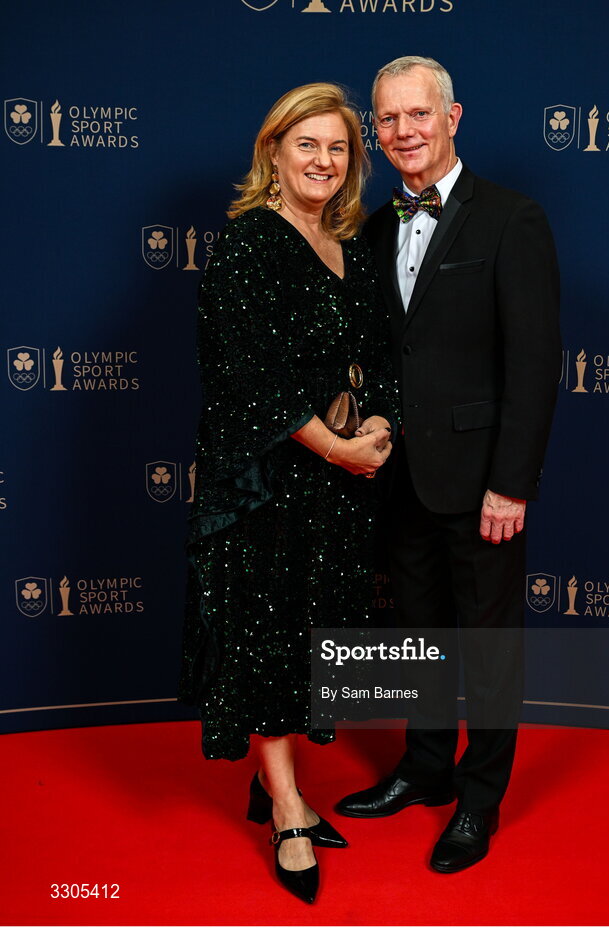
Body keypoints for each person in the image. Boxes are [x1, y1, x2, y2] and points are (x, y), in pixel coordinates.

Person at [337, 57, 561, 872]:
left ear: (453, 116)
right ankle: (424, 769)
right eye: (387, 120)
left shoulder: (511, 219)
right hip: (397, 476)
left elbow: (535, 364)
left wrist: (511, 481)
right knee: (413, 634)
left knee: (488, 645)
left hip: (481, 484)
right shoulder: (367, 227)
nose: (403, 133)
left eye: (417, 116)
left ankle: (478, 799)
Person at [179, 83, 397, 903]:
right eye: (306, 144)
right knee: (270, 641)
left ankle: (270, 784)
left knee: (307, 636)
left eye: (338, 148)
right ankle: (288, 809)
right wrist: (338, 446)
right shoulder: (249, 246)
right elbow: (247, 381)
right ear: (273, 151)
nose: (323, 161)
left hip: (334, 488)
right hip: (270, 483)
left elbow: (379, 355)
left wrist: (378, 421)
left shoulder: (348, 245)